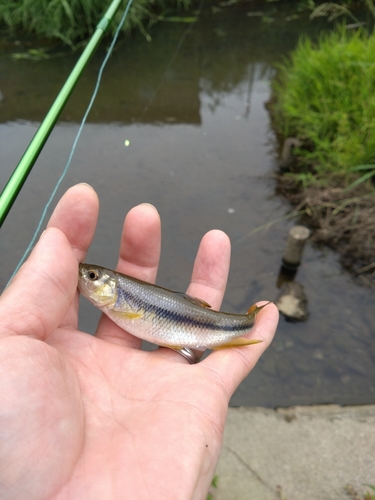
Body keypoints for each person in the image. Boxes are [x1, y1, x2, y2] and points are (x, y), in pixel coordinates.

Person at [0, 183, 278, 500]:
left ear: (110, 287)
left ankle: (248, 319)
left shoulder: (121, 299)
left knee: (241, 322)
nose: (84, 279)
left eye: (91, 277)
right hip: (197, 329)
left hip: (208, 326)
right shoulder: (117, 301)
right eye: (89, 275)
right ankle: (247, 319)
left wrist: (246, 320)